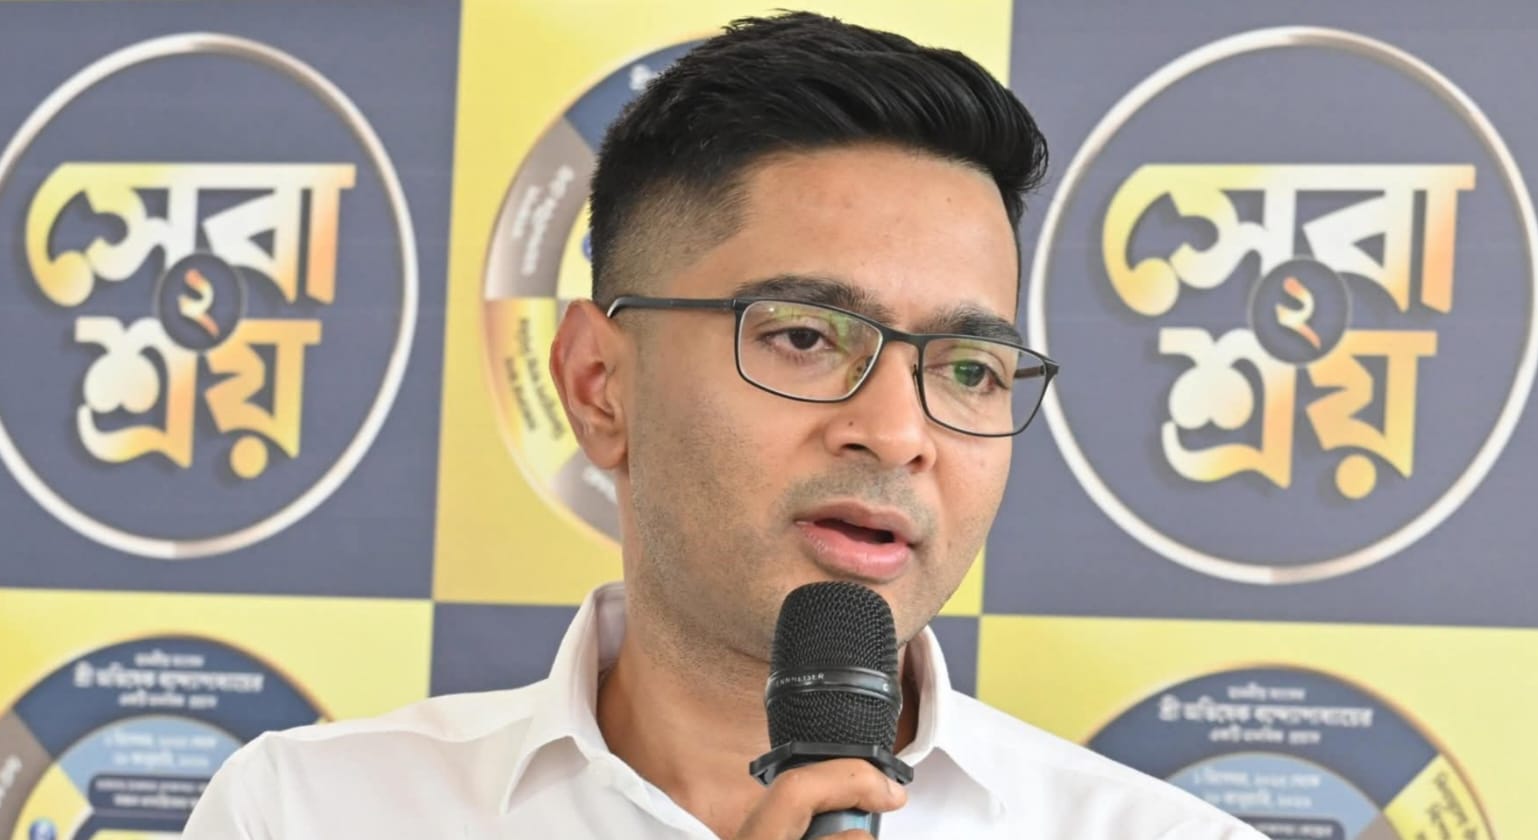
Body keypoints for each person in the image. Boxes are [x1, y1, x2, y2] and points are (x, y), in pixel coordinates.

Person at [184, 12, 1266, 840]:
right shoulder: (309, 811)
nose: (898, 433)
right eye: (804, 337)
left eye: (969, 369)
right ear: (599, 386)